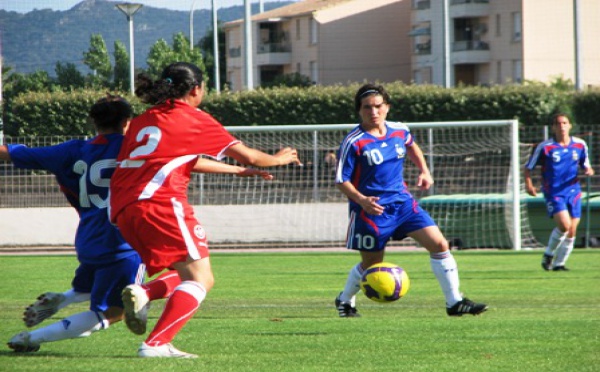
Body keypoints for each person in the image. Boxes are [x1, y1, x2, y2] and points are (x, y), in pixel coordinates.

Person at [109, 61, 301, 358]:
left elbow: (181, 159)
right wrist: (279, 158)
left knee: (184, 272)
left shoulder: (144, 120)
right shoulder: (193, 118)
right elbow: (250, 156)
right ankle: (156, 344)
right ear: (196, 89)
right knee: (201, 279)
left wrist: (235, 173)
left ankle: (144, 292)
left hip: (123, 209)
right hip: (160, 204)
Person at [2, 95, 145, 353]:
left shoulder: (71, 150)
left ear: (93, 121)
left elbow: (11, 154)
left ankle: (64, 298)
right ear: (127, 122)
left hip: (88, 238)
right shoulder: (135, 149)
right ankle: (31, 338)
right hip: (124, 240)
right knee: (114, 311)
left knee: (88, 288)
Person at [333, 83, 488, 318]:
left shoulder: (399, 130)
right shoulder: (354, 141)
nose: (373, 112)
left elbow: (411, 145)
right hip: (372, 210)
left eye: (378, 106)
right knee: (372, 265)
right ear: (359, 110)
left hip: (403, 204)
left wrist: (424, 171)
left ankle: (454, 302)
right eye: (367, 108)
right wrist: (362, 200)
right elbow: (340, 180)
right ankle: (344, 300)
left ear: (387, 107)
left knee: (440, 245)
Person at [524, 113, 594, 271]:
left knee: (572, 230)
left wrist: (588, 170)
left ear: (570, 126)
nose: (562, 126)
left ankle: (559, 264)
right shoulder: (545, 147)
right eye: (558, 123)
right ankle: (549, 254)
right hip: (553, 191)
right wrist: (529, 185)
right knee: (564, 225)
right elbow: (528, 168)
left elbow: (586, 164)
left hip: (573, 191)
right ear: (553, 127)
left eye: (565, 123)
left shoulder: (580, 145)